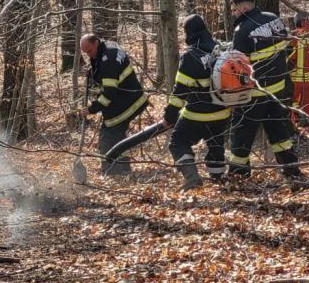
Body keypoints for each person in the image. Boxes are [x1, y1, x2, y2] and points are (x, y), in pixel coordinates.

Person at [227, 0, 301, 180]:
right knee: (279, 132)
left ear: (243, 8)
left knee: (241, 134)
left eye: (234, 11)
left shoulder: (242, 30)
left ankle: (239, 176)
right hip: (277, 89)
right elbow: (289, 48)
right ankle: (292, 171)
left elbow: (237, 66)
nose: (233, 15)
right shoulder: (274, 19)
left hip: (254, 93)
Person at [163, 15, 229, 189]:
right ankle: (218, 180)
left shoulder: (191, 56)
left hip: (197, 113)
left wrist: (169, 115)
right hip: (223, 112)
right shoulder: (220, 48)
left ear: (188, 32)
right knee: (216, 145)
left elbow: (180, 92)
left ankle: (192, 178)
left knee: (177, 142)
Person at [80, 33, 148, 177]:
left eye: (89, 51)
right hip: (129, 99)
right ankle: (121, 170)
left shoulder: (108, 58)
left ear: (96, 43)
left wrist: (91, 109)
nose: (89, 56)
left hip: (126, 103)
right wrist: (92, 71)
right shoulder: (107, 48)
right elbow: (106, 73)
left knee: (108, 135)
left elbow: (109, 93)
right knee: (116, 135)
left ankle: (114, 172)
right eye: (85, 53)